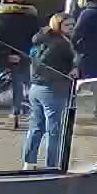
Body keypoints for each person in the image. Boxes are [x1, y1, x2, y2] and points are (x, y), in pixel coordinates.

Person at [22, 14, 75, 170]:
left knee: (36, 127)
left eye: (72, 24)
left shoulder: (40, 38)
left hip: (35, 88)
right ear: (57, 25)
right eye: (67, 25)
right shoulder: (60, 43)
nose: (71, 28)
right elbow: (46, 63)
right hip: (52, 88)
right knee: (55, 130)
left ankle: (29, 162)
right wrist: (70, 70)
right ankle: (52, 165)